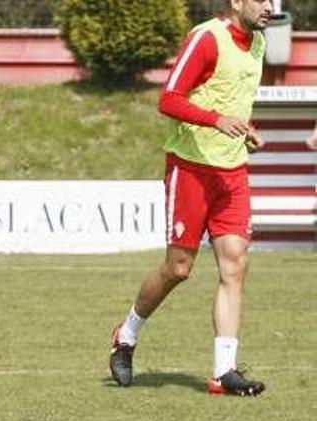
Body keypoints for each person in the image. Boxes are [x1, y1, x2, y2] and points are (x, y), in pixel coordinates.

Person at [109, 0, 272, 396]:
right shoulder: (207, 38)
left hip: (231, 173)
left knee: (235, 265)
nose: (269, 6)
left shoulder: (259, 43)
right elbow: (169, 99)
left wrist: (245, 130)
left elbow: (230, 100)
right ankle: (126, 335)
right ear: (236, 2)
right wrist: (216, 120)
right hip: (191, 170)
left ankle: (223, 372)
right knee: (178, 269)